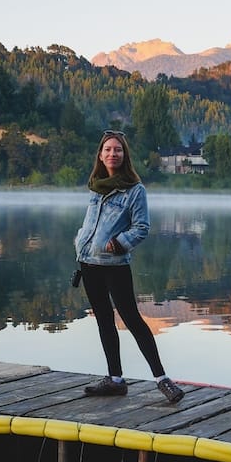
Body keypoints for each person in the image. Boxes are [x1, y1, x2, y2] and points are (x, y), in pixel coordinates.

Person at [73, 129, 184, 403]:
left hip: (114, 265)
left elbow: (142, 228)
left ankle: (162, 379)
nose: (113, 154)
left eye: (118, 150)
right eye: (108, 149)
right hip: (88, 264)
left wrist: (120, 243)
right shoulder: (96, 186)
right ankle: (115, 379)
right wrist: (80, 241)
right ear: (100, 155)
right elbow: (91, 224)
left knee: (132, 319)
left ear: (125, 156)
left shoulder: (135, 190)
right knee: (104, 320)